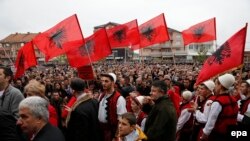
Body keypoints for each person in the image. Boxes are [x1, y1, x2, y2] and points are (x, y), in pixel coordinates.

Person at [200, 73, 239, 141]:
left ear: (220, 86)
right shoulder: (233, 99)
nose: (214, 87)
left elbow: (211, 121)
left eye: (216, 84)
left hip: (218, 134)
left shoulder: (218, 102)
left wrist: (205, 134)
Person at [98, 73, 127, 141]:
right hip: (100, 130)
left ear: (113, 83)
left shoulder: (119, 98)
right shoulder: (101, 95)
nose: (103, 83)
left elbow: (121, 119)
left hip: (111, 132)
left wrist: (117, 135)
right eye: (102, 81)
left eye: (106, 81)